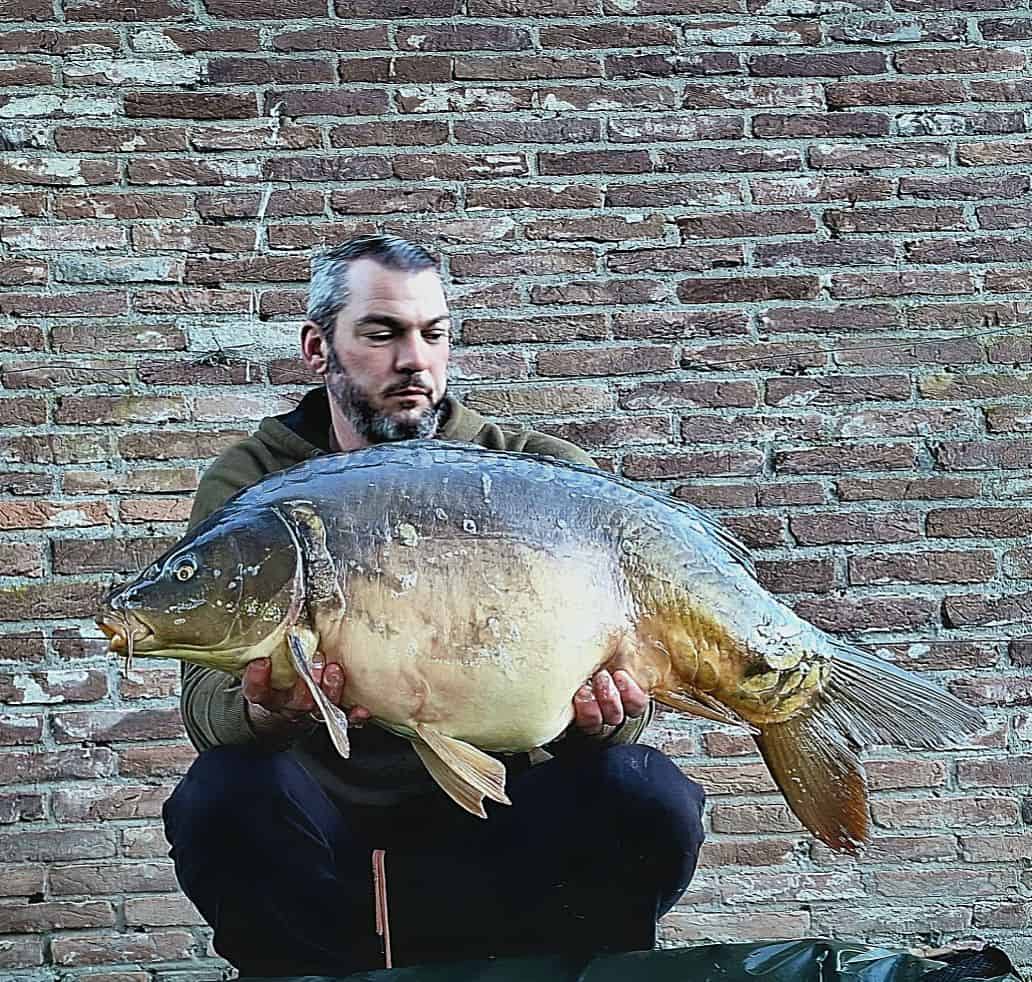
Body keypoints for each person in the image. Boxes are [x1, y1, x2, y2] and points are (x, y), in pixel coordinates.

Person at [162, 234, 706, 977]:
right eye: (383, 333)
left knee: (644, 791)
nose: (415, 359)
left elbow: (629, 676)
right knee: (223, 793)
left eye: (434, 333)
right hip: (326, 815)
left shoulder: (540, 474)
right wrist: (268, 711)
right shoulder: (256, 484)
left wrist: (609, 714)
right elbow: (205, 705)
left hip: (511, 805)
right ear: (319, 349)